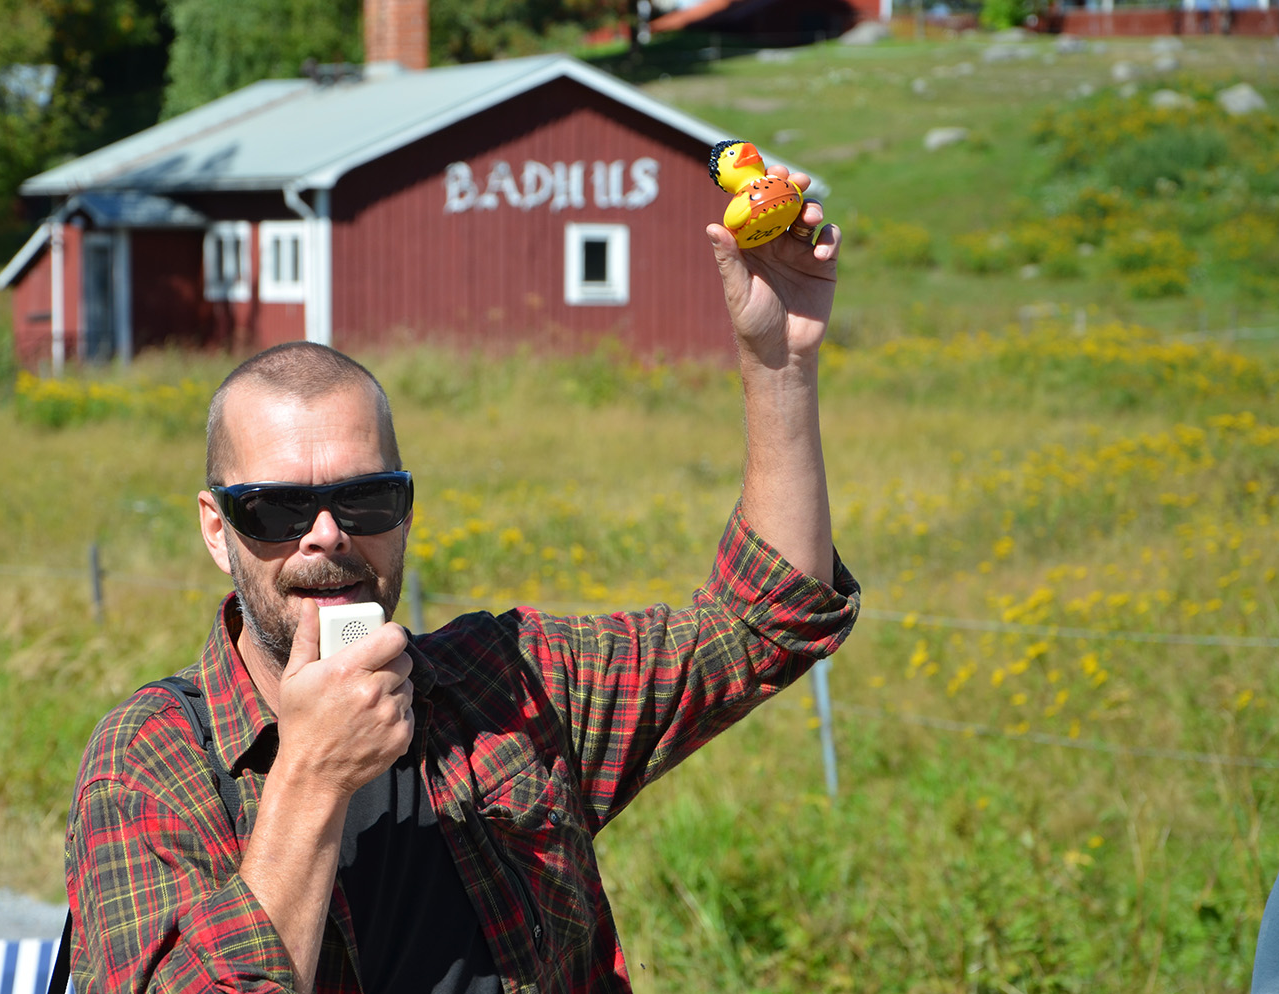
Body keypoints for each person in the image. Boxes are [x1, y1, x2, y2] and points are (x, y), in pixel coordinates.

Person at [65, 167, 862, 993]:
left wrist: (778, 365)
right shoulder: (153, 761)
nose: (329, 536)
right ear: (216, 529)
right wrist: (310, 776)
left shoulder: (506, 682)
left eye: (365, 499)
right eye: (275, 510)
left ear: (406, 511)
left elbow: (766, 621)